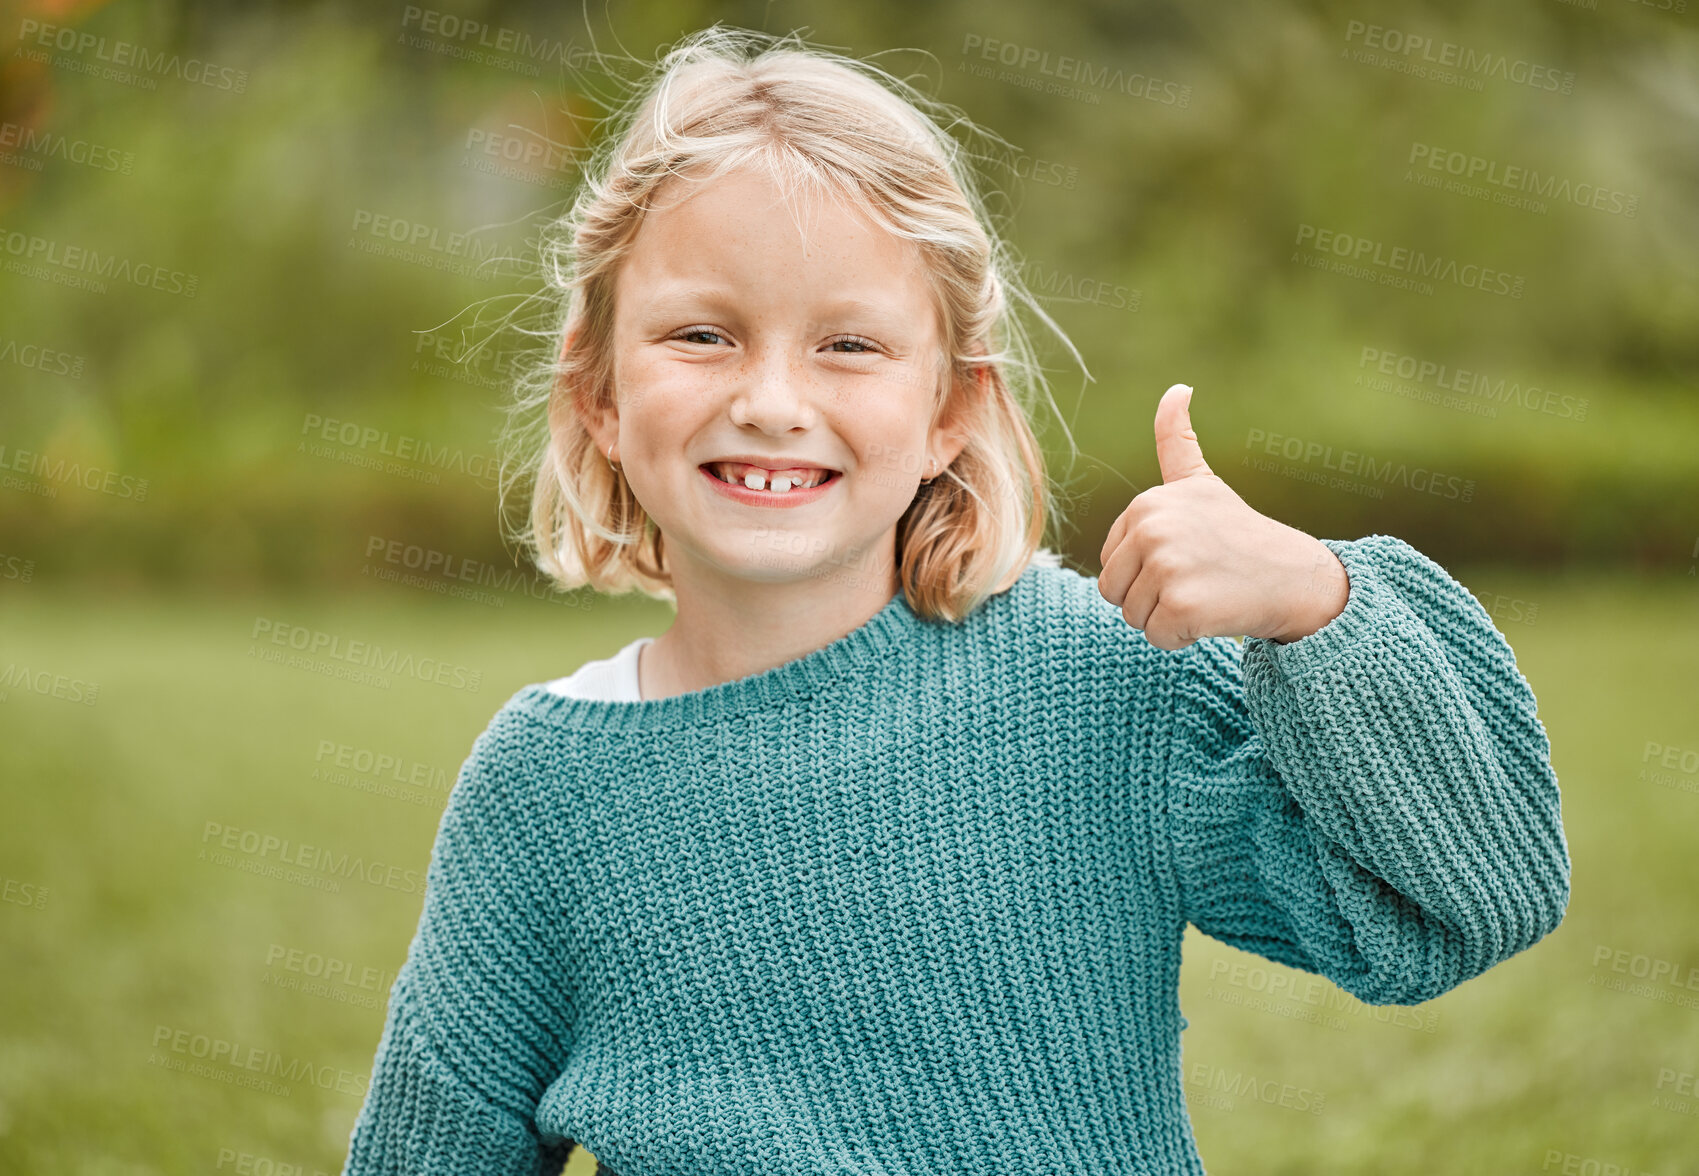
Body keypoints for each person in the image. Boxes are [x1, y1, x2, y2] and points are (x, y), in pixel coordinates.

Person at [340, 25, 1571, 1176]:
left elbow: (1470, 900)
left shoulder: (1097, 683)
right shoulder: (543, 788)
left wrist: (1321, 604)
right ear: (599, 391)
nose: (771, 399)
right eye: (703, 334)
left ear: (952, 409)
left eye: (849, 345)